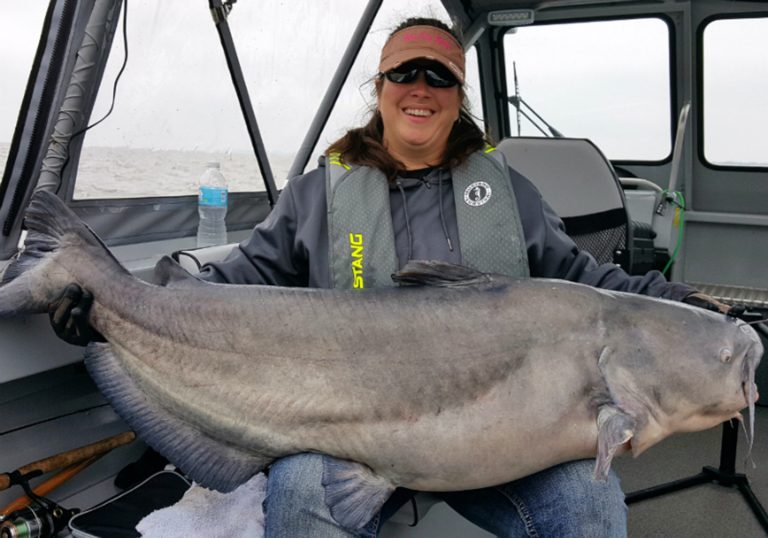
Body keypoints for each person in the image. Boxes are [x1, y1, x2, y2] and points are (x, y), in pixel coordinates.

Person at [51, 16, 731, 538]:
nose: (421, 90)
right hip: (349, 436)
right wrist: (111, 308)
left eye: (440, 78)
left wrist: (688, 302)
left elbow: (589, 283)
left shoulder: (510, 195)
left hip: (501, 445)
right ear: (378, 89)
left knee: (590, 501)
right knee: (299, 499)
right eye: (406, 73)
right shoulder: (317, 194)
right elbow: (236, 282)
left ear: (458, 97)